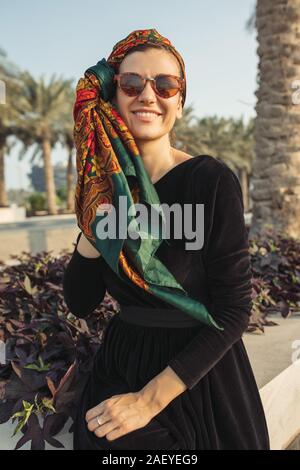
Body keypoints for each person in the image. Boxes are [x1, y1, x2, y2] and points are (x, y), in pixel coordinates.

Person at [63, 28, 270, 450]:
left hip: (198, 372)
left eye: (165, 84)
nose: (148, 95)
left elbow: (234, 310)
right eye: (131, 83)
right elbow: (80, 301)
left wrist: (146, 402)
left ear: (180, 99)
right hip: (123, 363)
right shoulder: (107, 190)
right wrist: (95, 210)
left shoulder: (210, 181)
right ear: (113, 96)